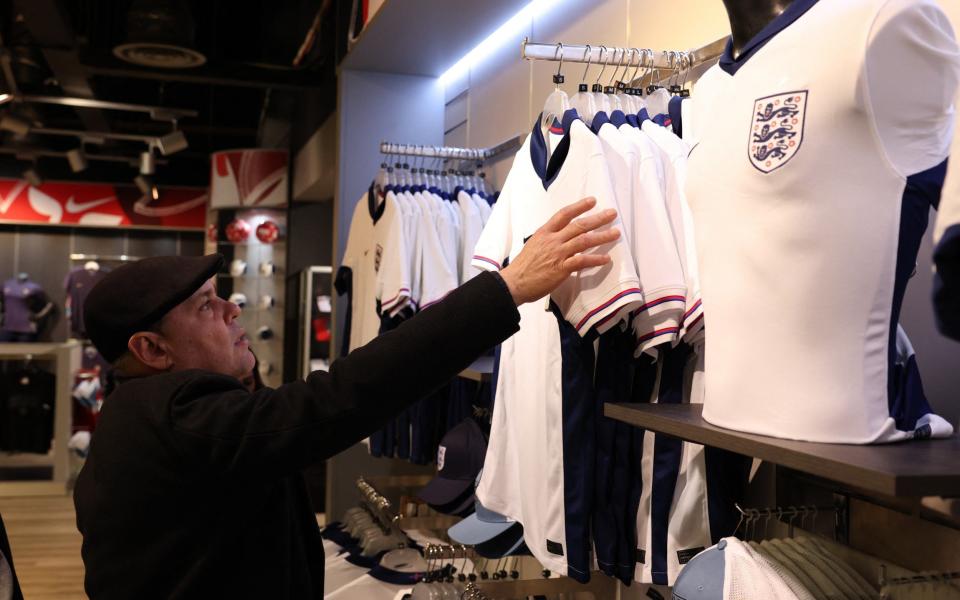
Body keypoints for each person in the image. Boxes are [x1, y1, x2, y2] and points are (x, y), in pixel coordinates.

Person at [74, 197, 620, 599]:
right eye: (205, 307)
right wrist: (507, 288)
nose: (232, 311)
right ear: (150, 347)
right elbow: (332, 401)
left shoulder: (144, 415)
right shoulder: (176, 417)